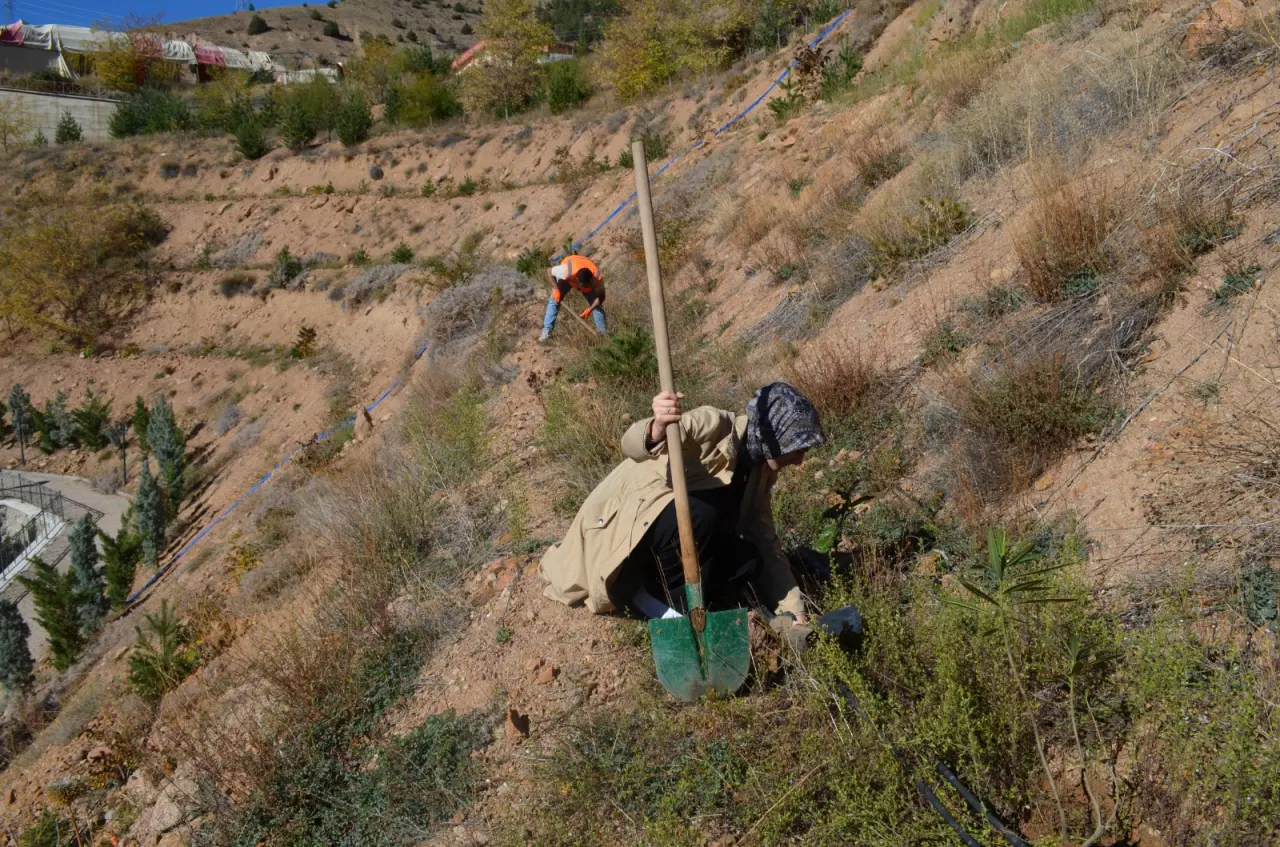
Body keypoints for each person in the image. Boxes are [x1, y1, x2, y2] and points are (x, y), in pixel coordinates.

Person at [540, 382, 823, 626]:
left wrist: (793, 610)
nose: (799, 463)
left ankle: (686, 598)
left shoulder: (761, 473)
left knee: (749, 560)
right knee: (703, 511)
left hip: (679, 541)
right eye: (797, 450)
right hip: (626, 532)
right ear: (775, 433)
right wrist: (656, 427)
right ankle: (648, 596)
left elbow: (765, 540)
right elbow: (631, 444)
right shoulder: (714, 425)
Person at [540, 253, 607, 341]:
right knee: (554, 300)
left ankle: (603, 335)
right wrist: (556, 289)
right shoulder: (566, 271)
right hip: (569, 276)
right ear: (577, 279)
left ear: (591, 280)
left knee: (597, 307)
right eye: (582, 285)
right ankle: (546, 332)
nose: (582, 287)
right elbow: (549, 271)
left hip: (582, 267)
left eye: (586, 285)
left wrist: (590, 309)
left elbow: (601, 298)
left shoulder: (598, 278)